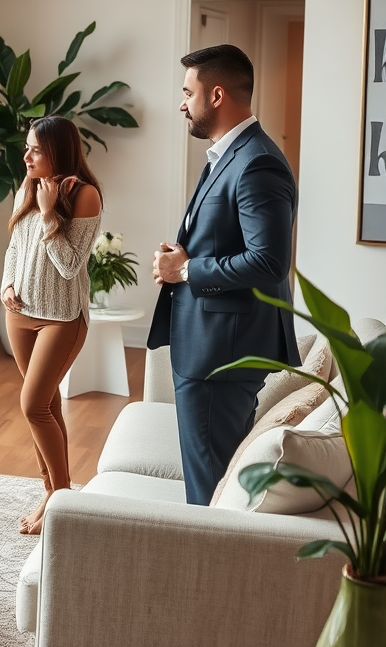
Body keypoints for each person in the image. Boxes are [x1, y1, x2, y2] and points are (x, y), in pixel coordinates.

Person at [148, 44, 300, 506]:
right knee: (212, 478)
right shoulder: (230, 155)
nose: (181, 103)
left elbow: (269, 262)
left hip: (222, 351)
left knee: (209, 489)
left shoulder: (258, 162)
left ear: (216, 95)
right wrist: (184, 255)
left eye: (187, 92)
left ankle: (205, 570)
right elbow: (231, 241)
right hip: (212, 343)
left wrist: (188, 268)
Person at [1, 116, 102, 535]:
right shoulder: (26, 186)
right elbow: (13, 247)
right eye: (27, 148)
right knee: (47, 405)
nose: (26, 156)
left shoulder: (85, 196)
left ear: (58, 151)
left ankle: (60, 500)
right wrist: (6, 282)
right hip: (19, 314)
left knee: (32, 405)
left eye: (35, 150)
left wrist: (47, 216)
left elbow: (70, 266)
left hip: (62, 318)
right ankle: (52, 492)